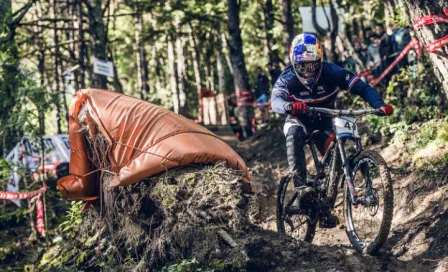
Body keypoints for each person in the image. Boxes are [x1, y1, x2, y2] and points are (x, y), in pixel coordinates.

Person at [271, 33, 393, 226]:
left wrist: (379, 104)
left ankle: (324, 205)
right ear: (295, 64)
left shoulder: (332, 71)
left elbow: (360, 87)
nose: (308, 71)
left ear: (319, 61)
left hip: (326, 120)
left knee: (337, 156)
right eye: (302, 66)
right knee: (294, 134)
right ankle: (301, 187)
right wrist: (289, 107)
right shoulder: (288, 78)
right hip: (299, 119)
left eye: (311, 65)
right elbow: (275, 100)